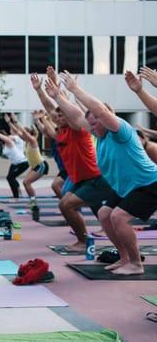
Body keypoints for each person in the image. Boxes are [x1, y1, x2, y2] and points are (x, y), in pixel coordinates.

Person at [60, 71, 157, 275]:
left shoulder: (120, 131)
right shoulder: (100, 135)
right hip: (127, 187)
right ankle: (124, 258)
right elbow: (78, 117)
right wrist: (56, 96)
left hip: (149, 183)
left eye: (95, 121)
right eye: (91, 124)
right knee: (105, 214)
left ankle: (136, 264)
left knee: (119, 217)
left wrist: (75, 89)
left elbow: (102, 112)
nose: (92, 126)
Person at [43, 74, 116, 252]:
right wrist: (41, 91)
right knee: (66, 202)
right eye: (56, 116)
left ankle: (85, 242)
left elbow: (72, 112)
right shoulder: (62, 132)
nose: (57, 117)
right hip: (82, 179)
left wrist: (62, 94)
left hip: (97, 178)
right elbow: (53, 110)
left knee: (68, 204)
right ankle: (85, 239)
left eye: (61, 115)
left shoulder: (77, 129)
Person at [5, 113, 49, 211]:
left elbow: (23, 132)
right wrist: (9, 122)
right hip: (34, 166)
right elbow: (18, 131)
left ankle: (33, 202)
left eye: (24, 134)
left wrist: (16, 121)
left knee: (26, 182)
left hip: (41, 165)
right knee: (26, 183)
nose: (21, 135)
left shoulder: (33, 140)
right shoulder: (27, 141)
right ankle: (32, 201)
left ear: (29, 134)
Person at [33, 109, 67, 197]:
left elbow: (48, 129)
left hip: (68, 169)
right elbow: (45, 131)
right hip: (63, 168)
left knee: (55, 186)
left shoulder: (59, 134)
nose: (58, 119)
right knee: (65, 189)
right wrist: (38, 120)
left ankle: (68, 203)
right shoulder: (53, 136)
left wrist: (44, 118)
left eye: (60, 116)